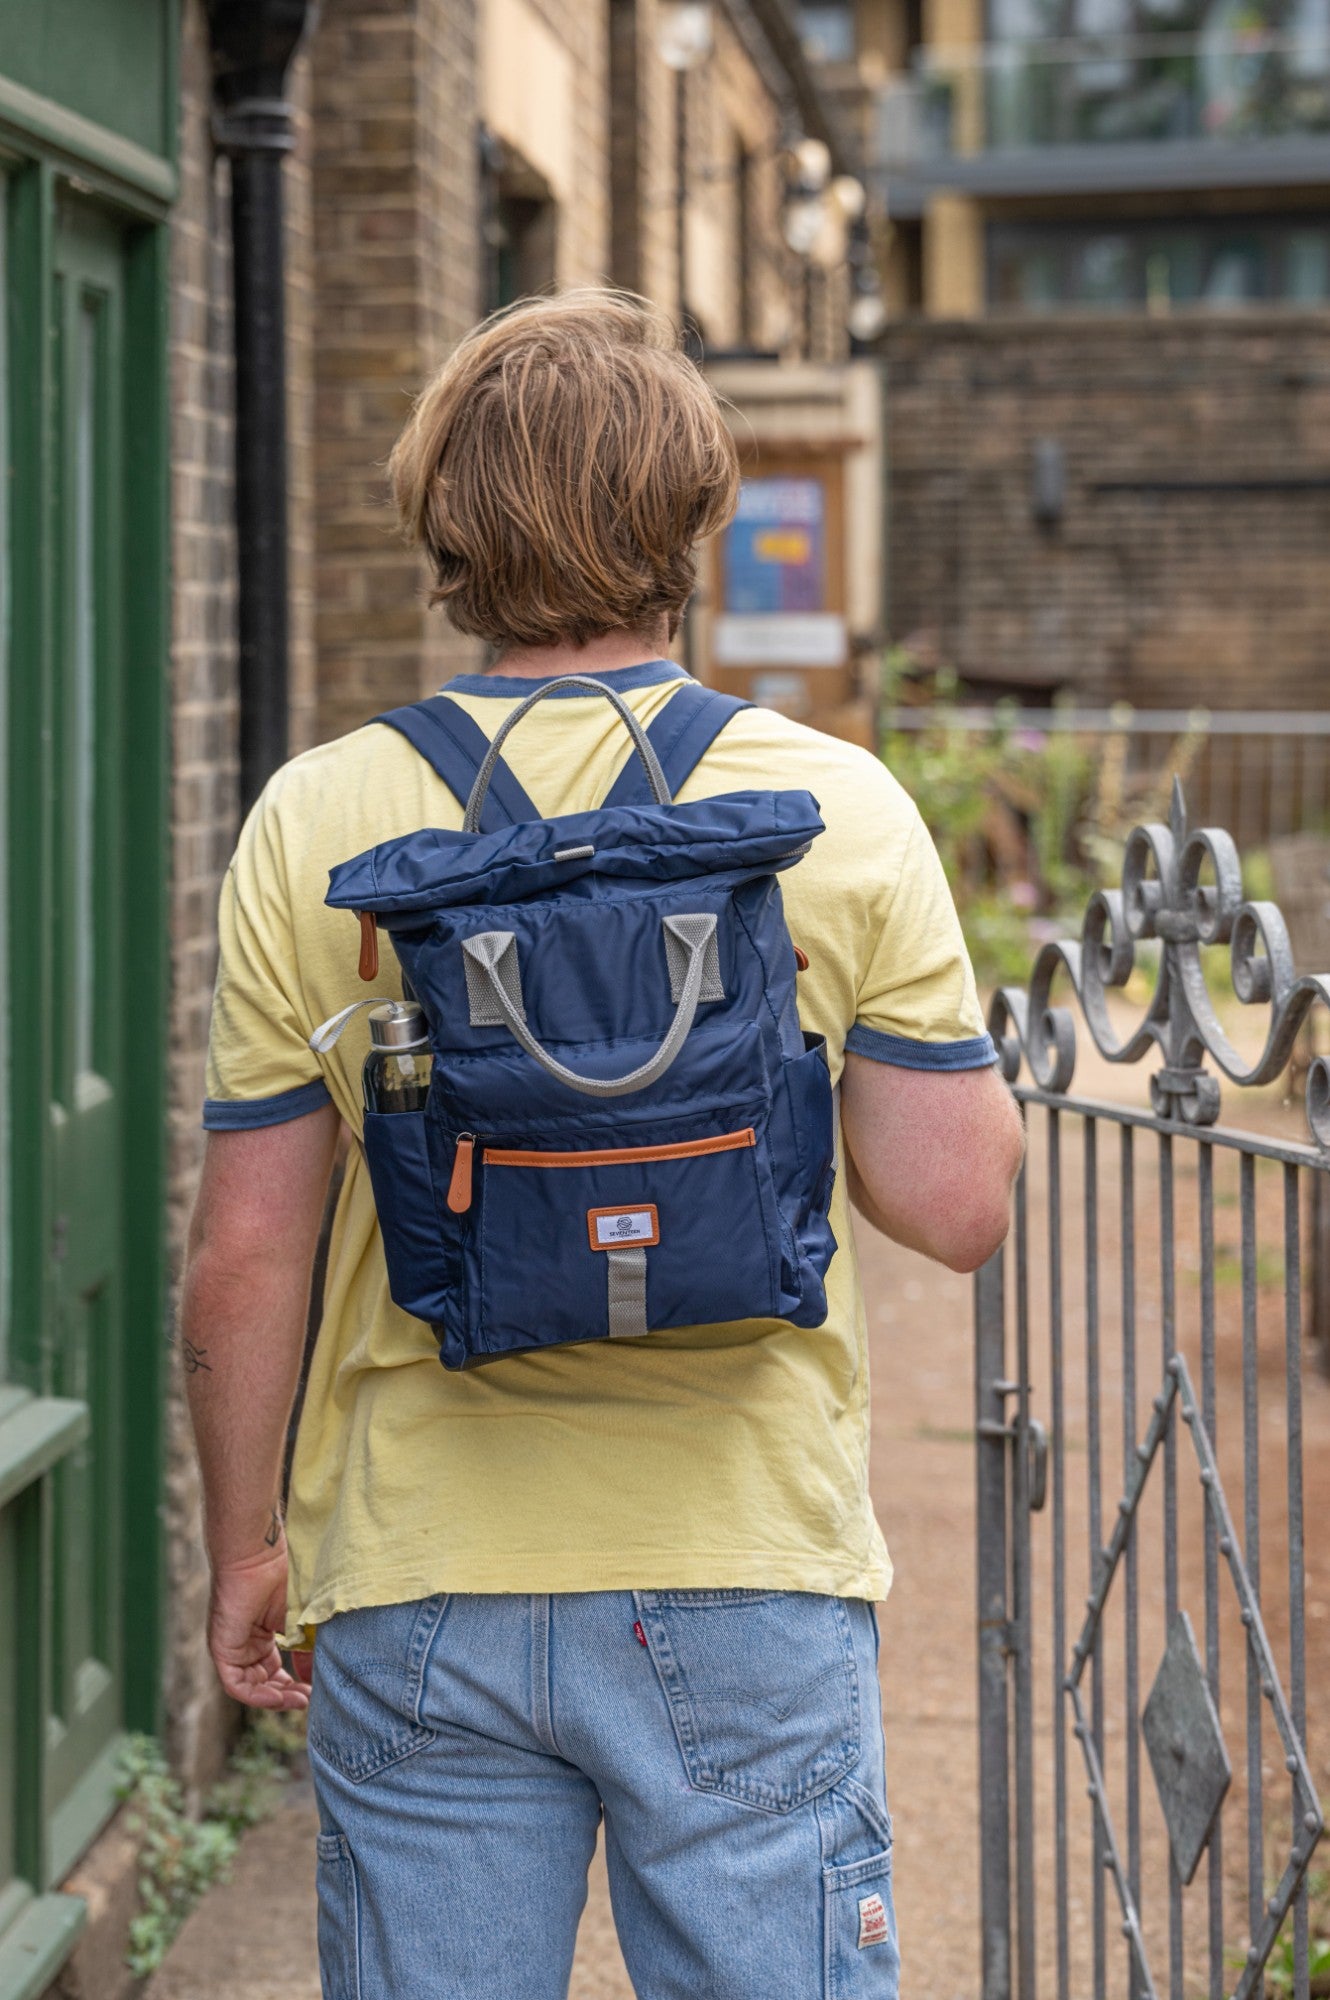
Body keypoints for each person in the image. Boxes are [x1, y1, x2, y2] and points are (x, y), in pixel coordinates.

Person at [184, 289, 1024, 2000]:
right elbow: (952, 1207)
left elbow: (248, 1250)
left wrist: (247, 1548)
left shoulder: (318, 816)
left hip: (421, 1576)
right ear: (691, 518)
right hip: (742, 1562)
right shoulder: (826, 807)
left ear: (444, 523)